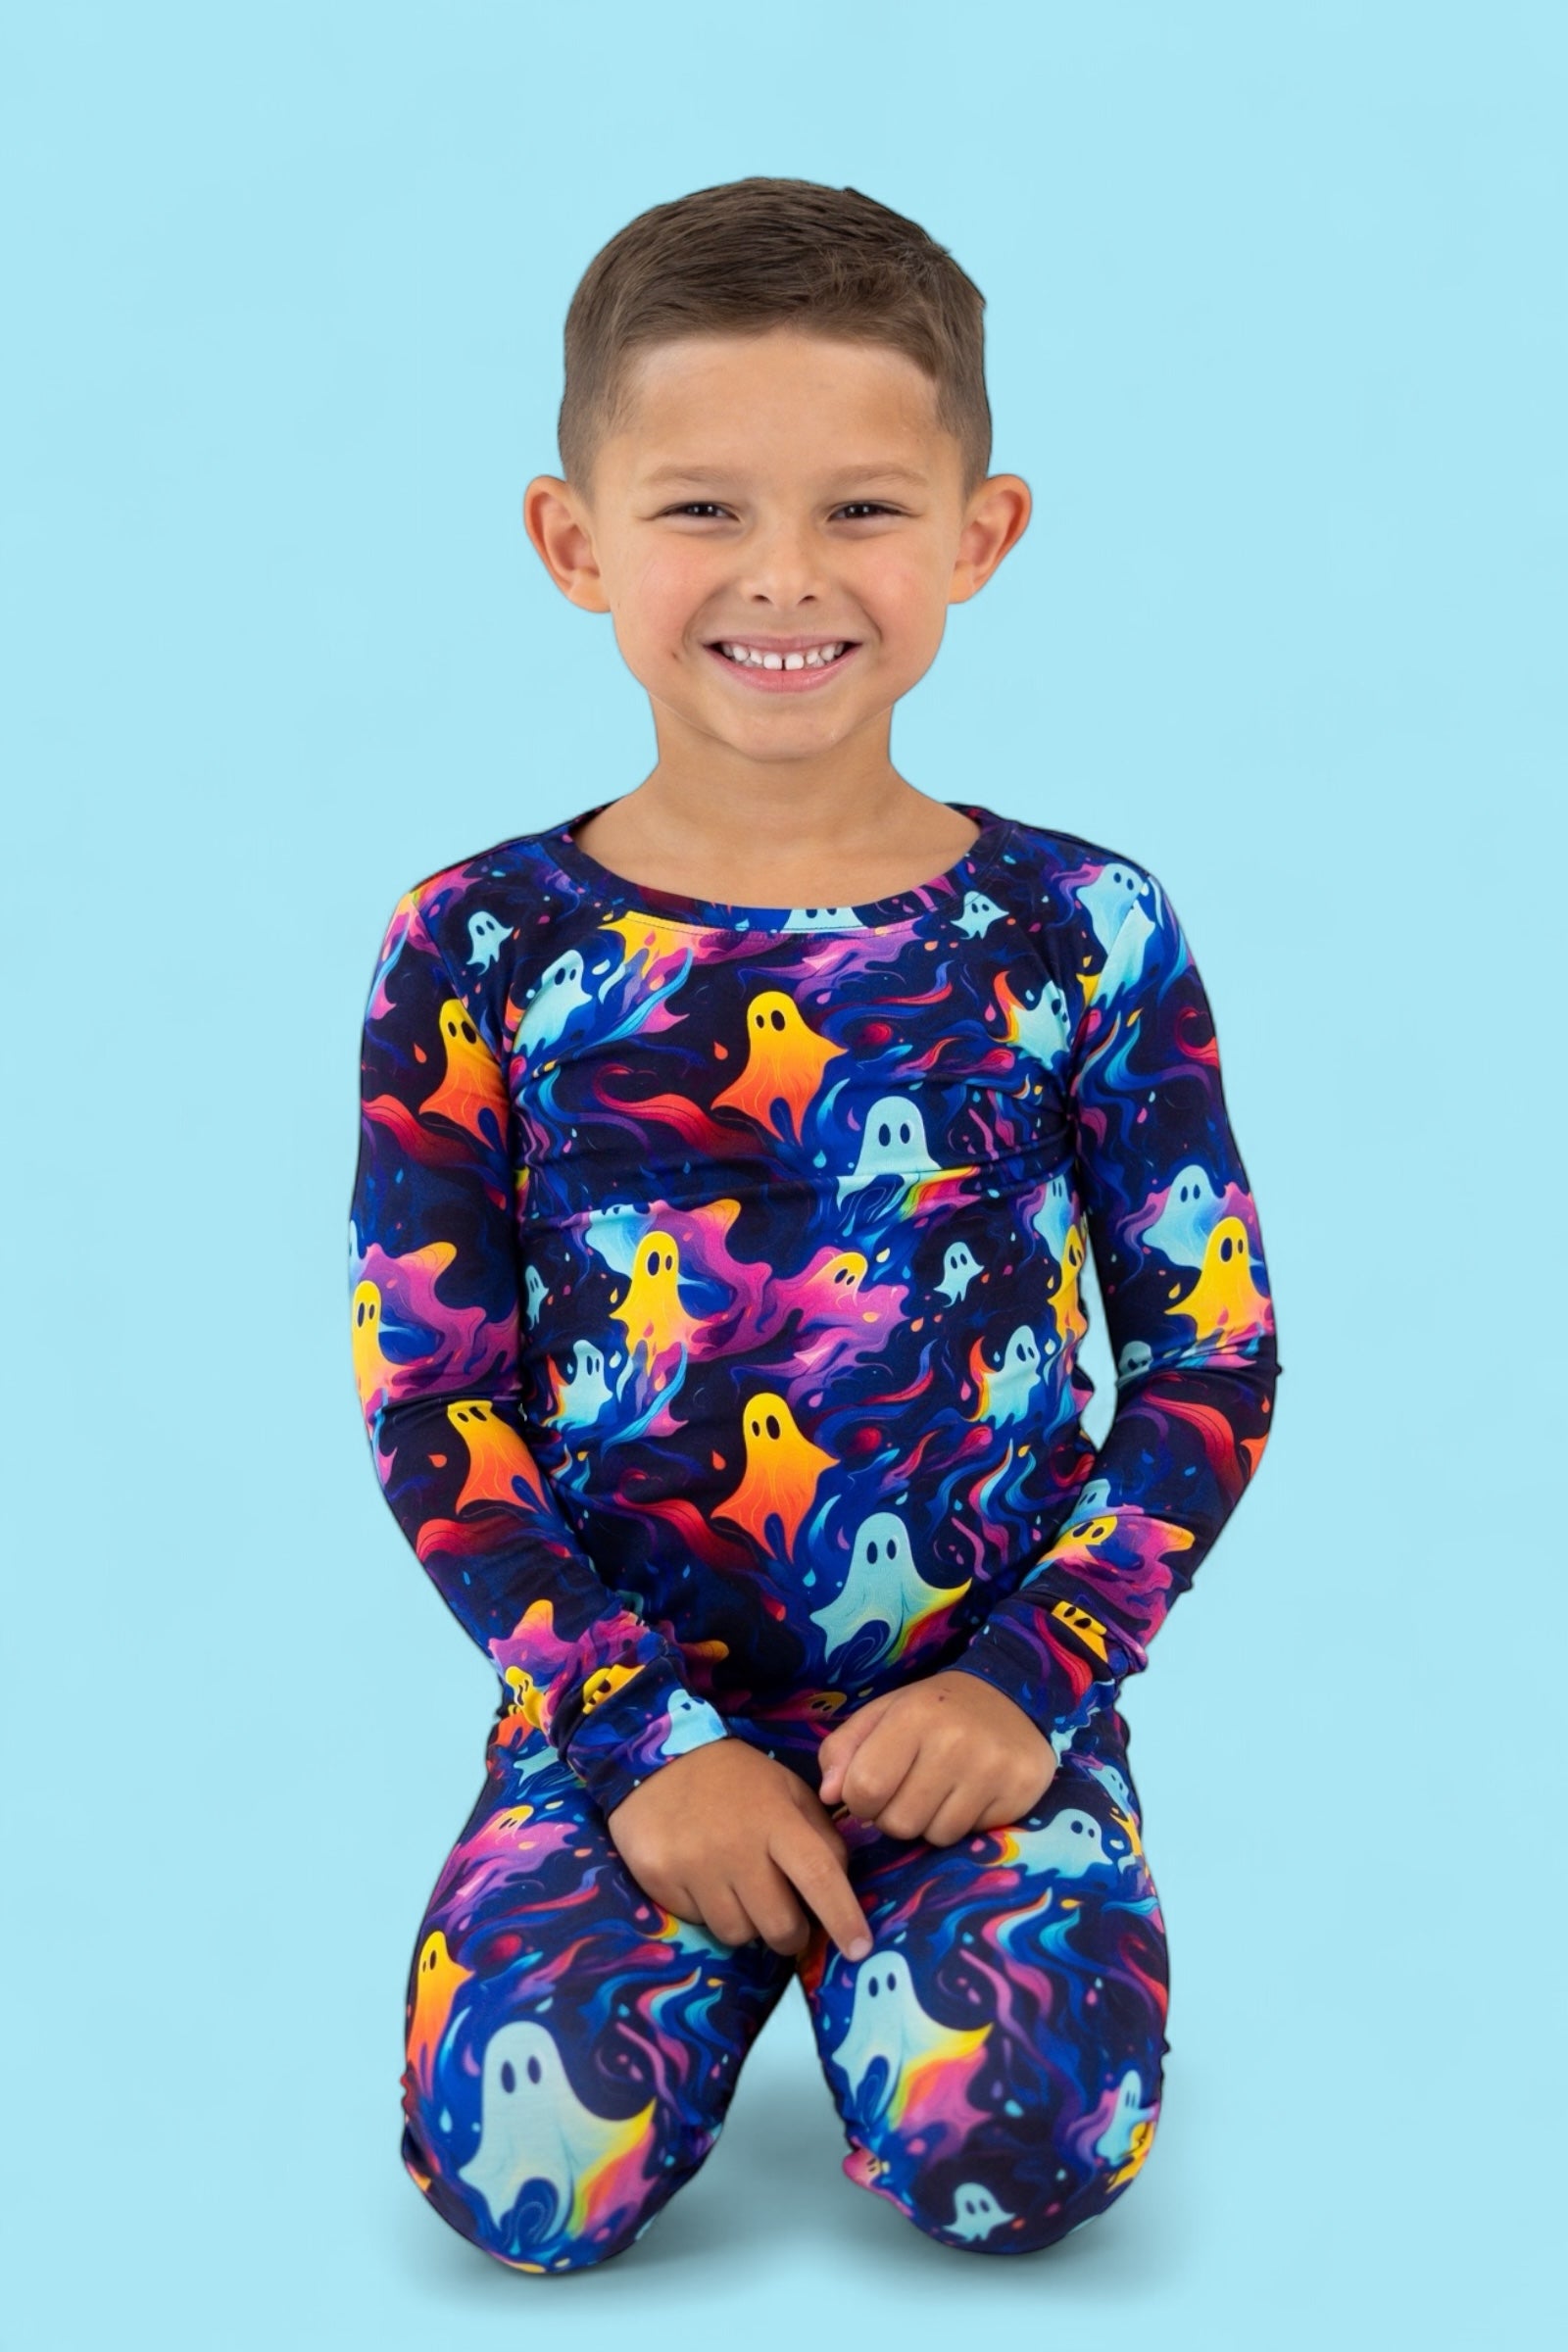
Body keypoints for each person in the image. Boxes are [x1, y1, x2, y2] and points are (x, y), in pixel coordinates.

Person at [348, 175, 1279, 2275]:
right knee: (520, 2186)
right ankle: (678, 1892)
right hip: (623, 1720)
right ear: (574, 541)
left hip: (971, 1718)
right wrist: (631, 1743)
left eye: (861, 509)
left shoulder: (1078, 926)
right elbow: (433, 1400)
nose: (783, 575)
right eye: (702, 509)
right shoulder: (475, 944)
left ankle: (948, 1927)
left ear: (978, 534)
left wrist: (1031, 1682)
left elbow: (1209, 1357)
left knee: (1013, 2160)